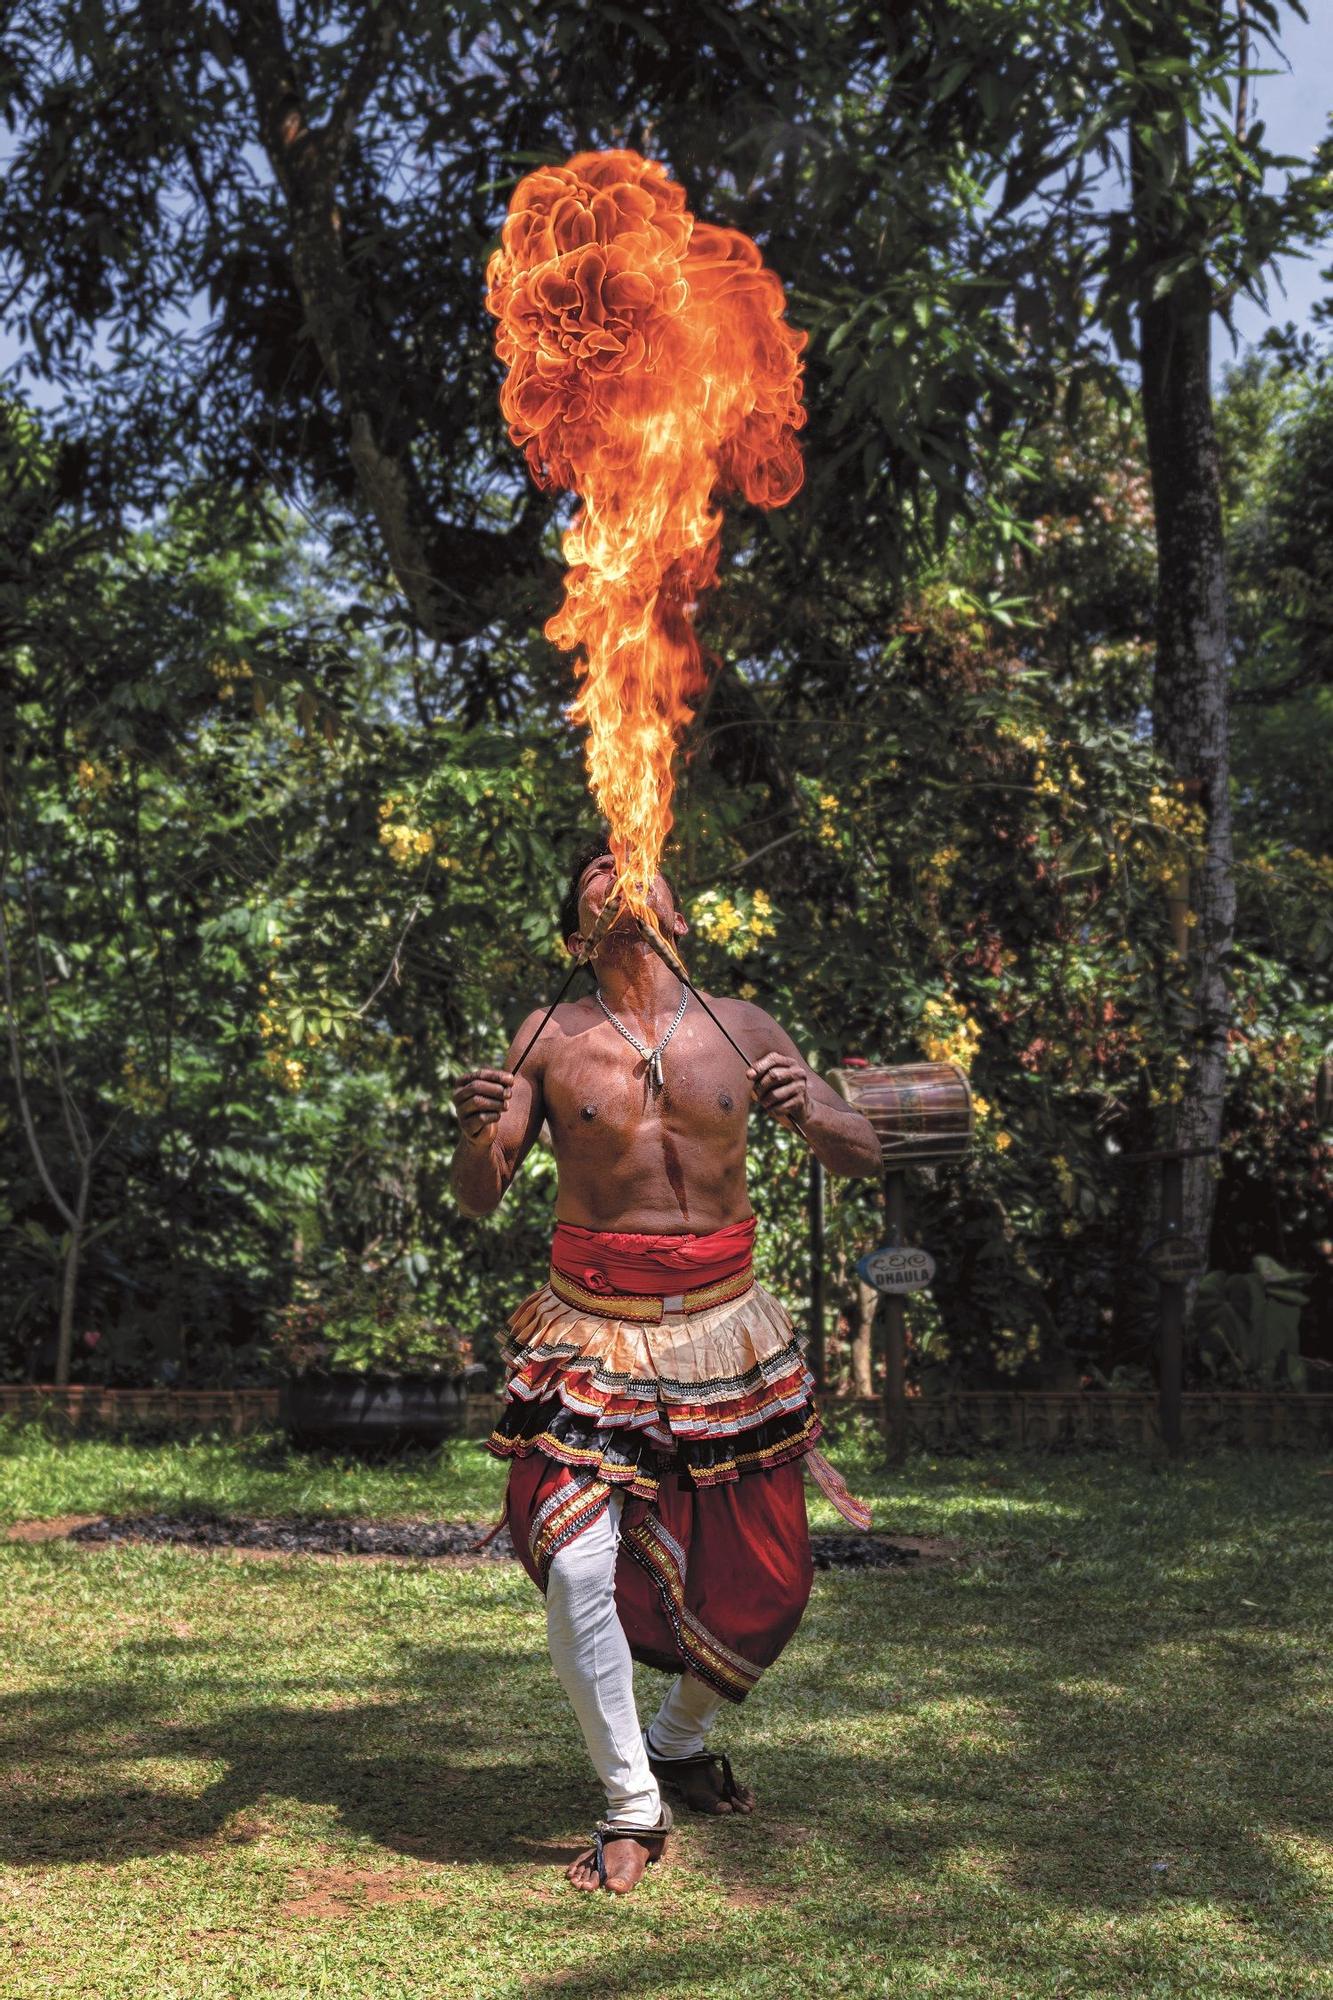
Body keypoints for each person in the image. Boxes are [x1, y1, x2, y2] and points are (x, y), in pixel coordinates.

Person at [450, 837, 881, 1894]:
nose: (618, 868)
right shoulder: (548, 1035)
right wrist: (473, 1132)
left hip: (725, 1328)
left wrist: (814, 1109)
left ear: (679, 917)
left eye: (635, 863)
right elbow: (478, 1191)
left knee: (777, 1581)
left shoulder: (742, 1025)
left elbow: (861, 1147)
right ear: (574, 930)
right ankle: (630, 1799)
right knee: (579, 1563)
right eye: (595, 867)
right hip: (593, 1329)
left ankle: (679, 1737)